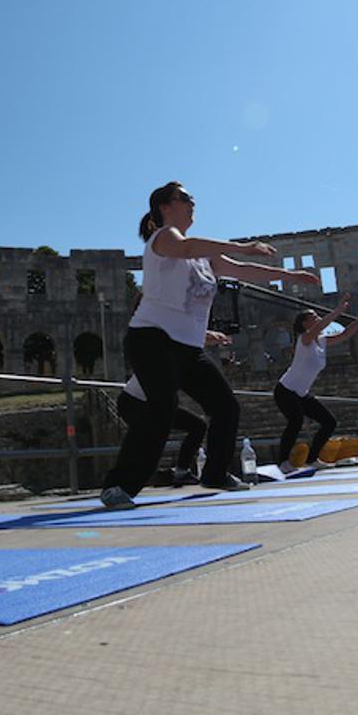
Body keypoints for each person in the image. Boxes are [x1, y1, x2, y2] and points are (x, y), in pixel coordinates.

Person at [100, 181, 317, 509]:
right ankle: (118, 486)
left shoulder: (205, 258)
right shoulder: (164, 238)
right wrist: (244, 246)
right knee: (162, 408)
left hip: (188, 348)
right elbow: (187, 248)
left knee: (225, 406)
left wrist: (290, 277)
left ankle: (215, 473)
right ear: (164, 207)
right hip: (152, 338)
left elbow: (241, 270)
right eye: (185, 198)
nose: (192, 203)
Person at [114, 329, 230, 486]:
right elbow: (179, 339)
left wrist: (206, 338)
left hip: (155, 403)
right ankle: (125, 479)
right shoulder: (166, 354)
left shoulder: (183, 355)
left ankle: (181, 471)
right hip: (134, 402)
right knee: (149, 437)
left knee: (198, 426)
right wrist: (204, 336)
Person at [274, 297, 358, 473]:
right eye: (313, 317)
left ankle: (312, 459)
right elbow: (319, 326)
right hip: (286, 390)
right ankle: (283, 462)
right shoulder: (304, 339)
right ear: (305, 324)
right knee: (296, 421)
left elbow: (344, 334)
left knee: (329, 422)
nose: (318, 318)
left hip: (301, 393)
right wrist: (338, 310)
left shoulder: (321, 340)